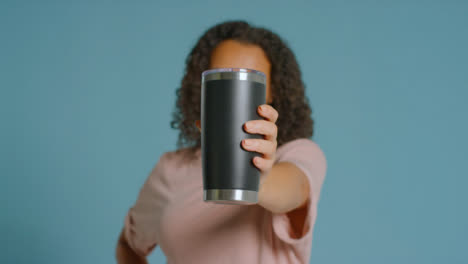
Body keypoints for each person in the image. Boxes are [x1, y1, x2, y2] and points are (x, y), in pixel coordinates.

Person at [115, 20, 327, 264]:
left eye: (249, 82)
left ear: (272, 94)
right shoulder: (171, 169)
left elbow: (293, 190)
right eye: (222, 79)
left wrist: (259, 177)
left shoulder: (299, 154)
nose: (233, 97)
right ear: (202, 88)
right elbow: (128, 245)